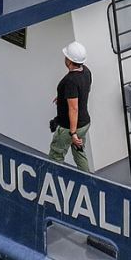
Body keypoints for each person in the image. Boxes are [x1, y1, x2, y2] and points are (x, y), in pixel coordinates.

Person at [48, 42, 92, 172]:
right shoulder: (86, 72)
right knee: (79, 153)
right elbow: (82, 91)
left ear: (70, 60)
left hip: (70, 128)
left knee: (56, 155)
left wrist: (72, 133)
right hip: (84, 123)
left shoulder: (70, 81)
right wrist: (62, 97)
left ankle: (51, 181)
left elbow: (74, 109)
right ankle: (88, 180)